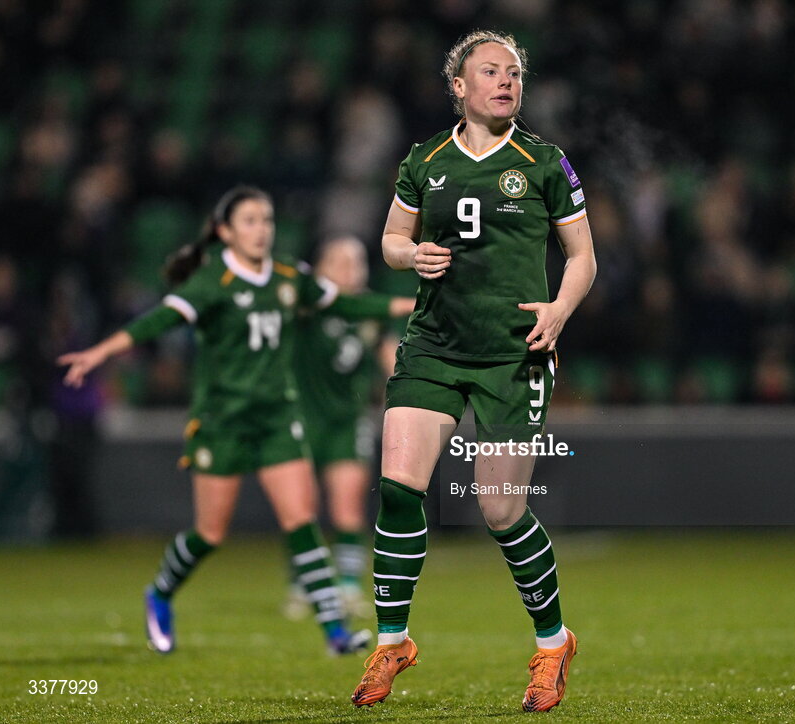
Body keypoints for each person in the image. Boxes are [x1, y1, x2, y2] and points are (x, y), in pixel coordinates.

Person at [350, 31, 596, 713]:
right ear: (458, 86)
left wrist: (560, 309)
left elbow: (582, 256)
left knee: (499, 507)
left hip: (514, 354)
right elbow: (392, 240)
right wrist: (411, 258)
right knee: (399, 487)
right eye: (490, 70)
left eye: (514, 71)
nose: (505, 80)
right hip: (433, 344)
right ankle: (393, 639)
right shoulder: (425, 159)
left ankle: (553, 643)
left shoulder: (543, 161)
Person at [58, 185, 407, 656]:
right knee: (211, 533)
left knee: (301, 519)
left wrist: (411, 304)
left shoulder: (287, 274)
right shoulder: (213, 281)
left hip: (277, 419)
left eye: (266, 220)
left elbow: (345, 303)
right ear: (224, 231)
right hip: (222, 423)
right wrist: (101, 351)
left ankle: (335, 632)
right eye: (249, 221)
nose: (261, 230)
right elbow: (159, 321)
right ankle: (160, 592)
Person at [286, 235, 411, 620]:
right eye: (340, 261)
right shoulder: (307, 305)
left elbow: (390, 357)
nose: (350, 269)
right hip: (302, 417)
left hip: (347, 418)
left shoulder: (372, 311)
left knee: (348, 503)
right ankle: (304, 583)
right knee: (300, 507)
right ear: (322, 268)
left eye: (356, 261)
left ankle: (349, 586)